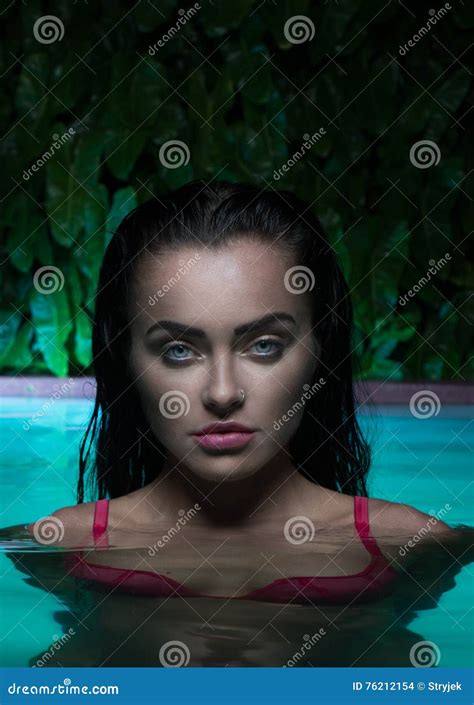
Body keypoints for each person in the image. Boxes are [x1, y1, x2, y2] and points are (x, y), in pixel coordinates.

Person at [26, 180, 459, 605]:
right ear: (125, 359)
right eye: (178, 350)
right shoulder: (54, 547)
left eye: (264, 346)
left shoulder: (417, 547)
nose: (223, 392)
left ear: (319, 350)